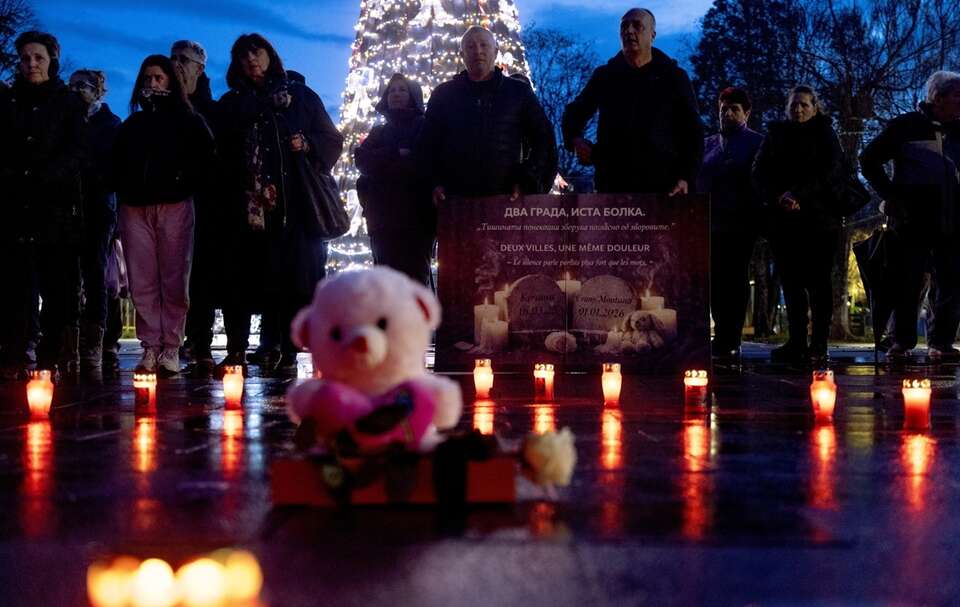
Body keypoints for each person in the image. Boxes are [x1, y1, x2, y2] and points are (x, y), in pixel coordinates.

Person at [218, 33, 344, 374]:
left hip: (295, 207)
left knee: (295, 280)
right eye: (243, 56)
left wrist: (306, 143)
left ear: (269, 55)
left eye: (256, 53)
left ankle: (288, 350)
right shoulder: (232, 102)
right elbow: (221, 149)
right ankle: (239, 348)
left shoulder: (299, 96)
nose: (251, 60)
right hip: (248, 210)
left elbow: (331, 139)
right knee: (245, 280)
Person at [113, 55, 215, 374]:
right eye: (148, 78)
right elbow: (114, 161)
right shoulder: (133, 124)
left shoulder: (189, 121)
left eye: (159, 77)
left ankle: (171, 345)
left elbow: (207, 159)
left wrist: (183, 183)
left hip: (174, 205)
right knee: (142, 278)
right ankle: (150, 346)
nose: (153, 83)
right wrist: (124, 185)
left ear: (170, 80)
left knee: (174, 277)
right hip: (135, 206)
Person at [0, 31, 86, 379]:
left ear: (52, 60)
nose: (31, 64)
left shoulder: (68, 103)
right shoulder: (8, 102)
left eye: (38, 57)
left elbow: (77, 150)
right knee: (16, 283)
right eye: (25, 58)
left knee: (56, 284)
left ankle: (50, 354)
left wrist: (48, 174)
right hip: (15, 204)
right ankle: (16, 350)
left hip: (54, 205)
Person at [860, 71, 960, 360]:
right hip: (913, 220)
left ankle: (940, 343)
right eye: (957, 96)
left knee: (951, 282)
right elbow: (868, 159)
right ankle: (901, 343)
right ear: (938, 98)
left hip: (954, 219)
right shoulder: (905, 127)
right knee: (908, 281)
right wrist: (890, 195)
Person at [561, 8, 703, 195]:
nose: (629, 31)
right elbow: (574, 113)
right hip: (613, 184)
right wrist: (576, 140)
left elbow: (693, 132)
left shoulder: (674, 77)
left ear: (652, 35)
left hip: (663, 186)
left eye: (637, 25)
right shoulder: (605, 76)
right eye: (624, 26)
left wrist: (686, 176)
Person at [753, 85, 847, 364]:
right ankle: (796, 341)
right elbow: (759, 171)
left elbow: (832, 170)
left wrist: (799, 195)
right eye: (794, 104)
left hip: (820, 221)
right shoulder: (775, 134)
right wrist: (777, 196)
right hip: (784, 221)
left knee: (819, 283)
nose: (798, 109)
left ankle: (818, 343)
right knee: (791, 283)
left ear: (815, 107)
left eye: (804, 104)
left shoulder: (826, 133)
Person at [419, 26, 557, 203]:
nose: (478, 51)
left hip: (505, 198)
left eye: (484, 45)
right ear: (462, 55)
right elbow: (427, 145)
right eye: (470, 46)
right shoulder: (443, 95)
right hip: (455, 200)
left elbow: (544, 140)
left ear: (496, 51)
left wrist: (527, 180)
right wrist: (435, 183)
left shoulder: (518, 92)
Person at [698, 87, 764, 359]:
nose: (727, 114)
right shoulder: (707, 144)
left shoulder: (757, 142)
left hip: (741, 222)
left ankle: (732, 336)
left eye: (734, 109)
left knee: (735, 278)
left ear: (746, 113)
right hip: (710, 222)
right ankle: (722, 334)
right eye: (723, 109)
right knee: (714, 278)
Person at [355, 73, 435, 285]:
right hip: (382, 222)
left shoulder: (424, 127)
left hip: (417, 221)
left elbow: (422, 163)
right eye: (392, 90)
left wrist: (383, 162)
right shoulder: (378, 131)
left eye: (402, 90)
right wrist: (396, 153)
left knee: (415, 282)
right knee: (385, 284)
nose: (396, 94)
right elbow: (362, 161)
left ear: (413, 95)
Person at [69, 69, 122, 372]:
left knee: (97, 272)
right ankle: (73, 337)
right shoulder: (67, 119)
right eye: (72, 85)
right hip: (69, 205)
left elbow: (115, 168)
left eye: (83, 86)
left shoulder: (110, 124)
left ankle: (98, 339)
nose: (76, 90)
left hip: (100, 204)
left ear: (97, 90)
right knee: (68, 274)